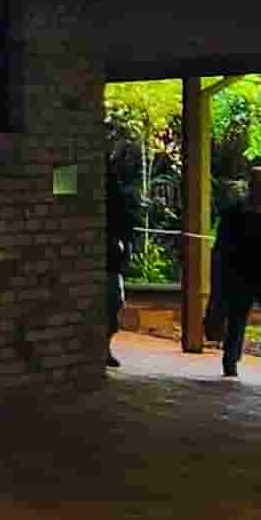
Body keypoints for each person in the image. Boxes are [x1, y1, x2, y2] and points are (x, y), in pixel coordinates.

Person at [208, 168, 261, 385]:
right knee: (237, 318)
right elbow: (223, 246)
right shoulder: (235, 214)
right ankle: (230, 360)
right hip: (241, 273)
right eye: (256, 184)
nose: (259, 189)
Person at [102, 128, 145, 368]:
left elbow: (123, 216)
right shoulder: (108, 180)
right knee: (110, 301)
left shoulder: (115, 183)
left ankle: (104, 346)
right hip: (105, 254)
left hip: (111, 256)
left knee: (114, 303)